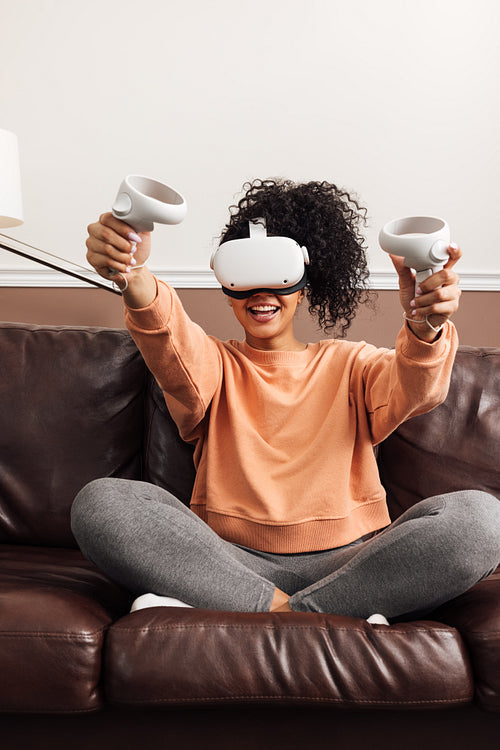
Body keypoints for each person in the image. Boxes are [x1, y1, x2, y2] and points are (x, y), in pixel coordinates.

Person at [72, 178, 500, 622]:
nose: (261, 293)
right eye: (244, 277)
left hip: (355, 564)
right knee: (100, 502)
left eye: (278, 275)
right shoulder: (212, 366)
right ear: (225, 283)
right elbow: (167, 335)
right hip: (228, 561)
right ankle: (324, 616)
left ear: (304, 279)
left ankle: (261, 610)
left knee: (482, 519)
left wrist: (426, 325)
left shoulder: (352, 363)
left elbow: (418, 388)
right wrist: (132, 275)